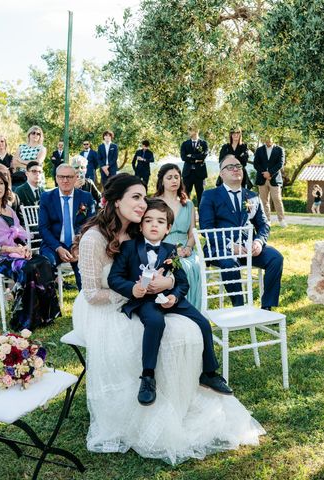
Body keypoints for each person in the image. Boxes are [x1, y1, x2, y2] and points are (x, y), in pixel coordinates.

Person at [72, 173, 264, 463]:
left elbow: (164, 264)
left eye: (142, 196)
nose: (142, 204)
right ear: (114, 201)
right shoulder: (93, 238)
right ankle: (149, 397)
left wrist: (169, 283)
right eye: (135, 197)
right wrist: (135, 293)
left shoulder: (140, 229)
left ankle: (185, 398)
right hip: (105, 307)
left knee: (189, 329)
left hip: (149, 298)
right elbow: (90, 294)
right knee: (162, 334)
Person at [109, 198, 231, 406]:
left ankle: (209, 372)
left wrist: (174, 295)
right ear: (141, 225)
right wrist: (132, 289)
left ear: (168, 228)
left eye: (160, 221)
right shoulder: (129, 247)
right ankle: (148, 377)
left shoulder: (170, 249)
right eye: (148, 221)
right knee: (156, 322)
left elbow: (182, 281)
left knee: (202, 322)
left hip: (169, 298)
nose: (154, 225)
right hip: (144, 300)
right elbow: (114, 278)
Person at [0, 170, 60, 329]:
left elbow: (17, 235)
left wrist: (24, 248)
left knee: (43, 261)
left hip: (13, 254)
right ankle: (25, 320)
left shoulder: (8, 209)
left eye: (1, 183)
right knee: (27, 267)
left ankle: (46, 314)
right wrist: (8, 249)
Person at [199, 154, 283, 310]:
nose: (235, 169)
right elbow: (207, 229)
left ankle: (267, 307)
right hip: (221, 248)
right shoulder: (209, 195)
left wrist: (258, 242)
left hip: (248, 248)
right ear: (221, 173)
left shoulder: (252, 196)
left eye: (238, 166)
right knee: (229, 262)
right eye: (230, 167)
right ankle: (240, 307)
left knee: (275, 258)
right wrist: (231, 245)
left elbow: (264, 224)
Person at [39, 164, 95, 289]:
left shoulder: (86, 197)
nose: (65, 180)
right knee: (45, 264)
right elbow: (43, 228)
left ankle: (86, 302)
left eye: (69, 177)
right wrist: (58, 247)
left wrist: (78, 245)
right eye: (61, 177)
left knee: (85, 273)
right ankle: (49, 304)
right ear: (56, 178)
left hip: (79, 244)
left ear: (76, 178)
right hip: (53, 244)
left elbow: (91, 226)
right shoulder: (46, 197)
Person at [153, 163, 201, 310]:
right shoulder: (154, 203)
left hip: (186, 247)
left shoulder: (188, 204)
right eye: (169, 177)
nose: (174, 180)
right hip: (163, 247)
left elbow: (192, 231)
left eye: (176, 177)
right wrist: (172, 251)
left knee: (195, 265)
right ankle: (176, 305)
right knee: (181, 268)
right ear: (162, 180)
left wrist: (188, 247)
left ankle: (195, 308)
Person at [253, 135, 287, 227]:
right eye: (266, 138)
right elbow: (256, 164)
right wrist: (264, 173)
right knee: (264, 201)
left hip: (274, 179)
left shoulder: (280, 149)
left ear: (273, 138)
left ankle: (282, 220)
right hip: (262, 178)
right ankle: (267, 220)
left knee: (277, 199)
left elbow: (280, 164)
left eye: (270, 138)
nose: (268, 140)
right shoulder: (259, 150)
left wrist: (270, 173)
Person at [180, 126, 208, 206]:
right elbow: (183, 157)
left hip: (200, 174)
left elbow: (203, 156)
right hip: (187, 174)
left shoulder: (204, 143)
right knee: (185, 196)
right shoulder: (185, 144)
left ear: (196, 131)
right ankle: (186, 215)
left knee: (201, 196)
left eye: (190, 130)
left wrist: (191, 156)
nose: (189, 132)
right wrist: (196, 159)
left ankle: (202, 216)